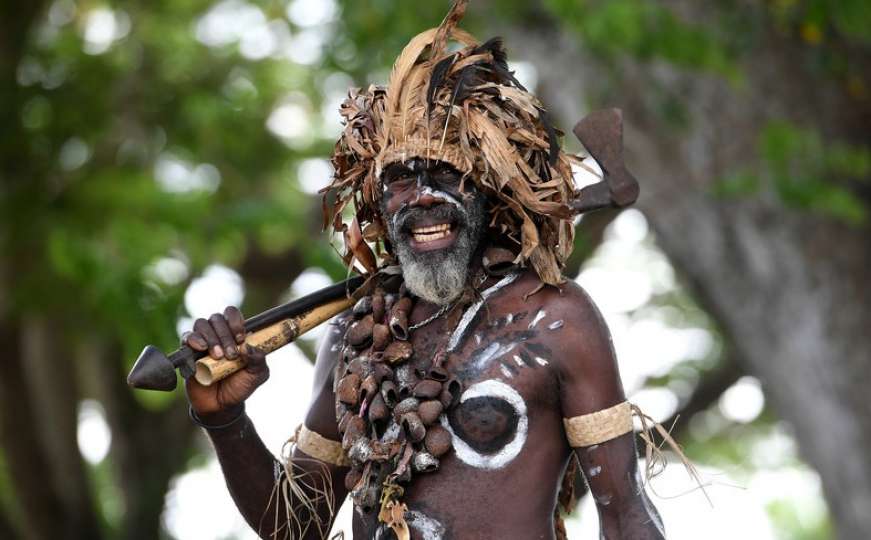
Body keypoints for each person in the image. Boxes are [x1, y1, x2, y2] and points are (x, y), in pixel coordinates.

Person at [183, 1, 666, 538]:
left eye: (445, 174)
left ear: (487, 193)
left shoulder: (555, 319)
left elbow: (626, 515)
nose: (423, 198)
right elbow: (296, 529)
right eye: (399, 181)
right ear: (379, 206)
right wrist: (224, 420)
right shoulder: (353, 337)